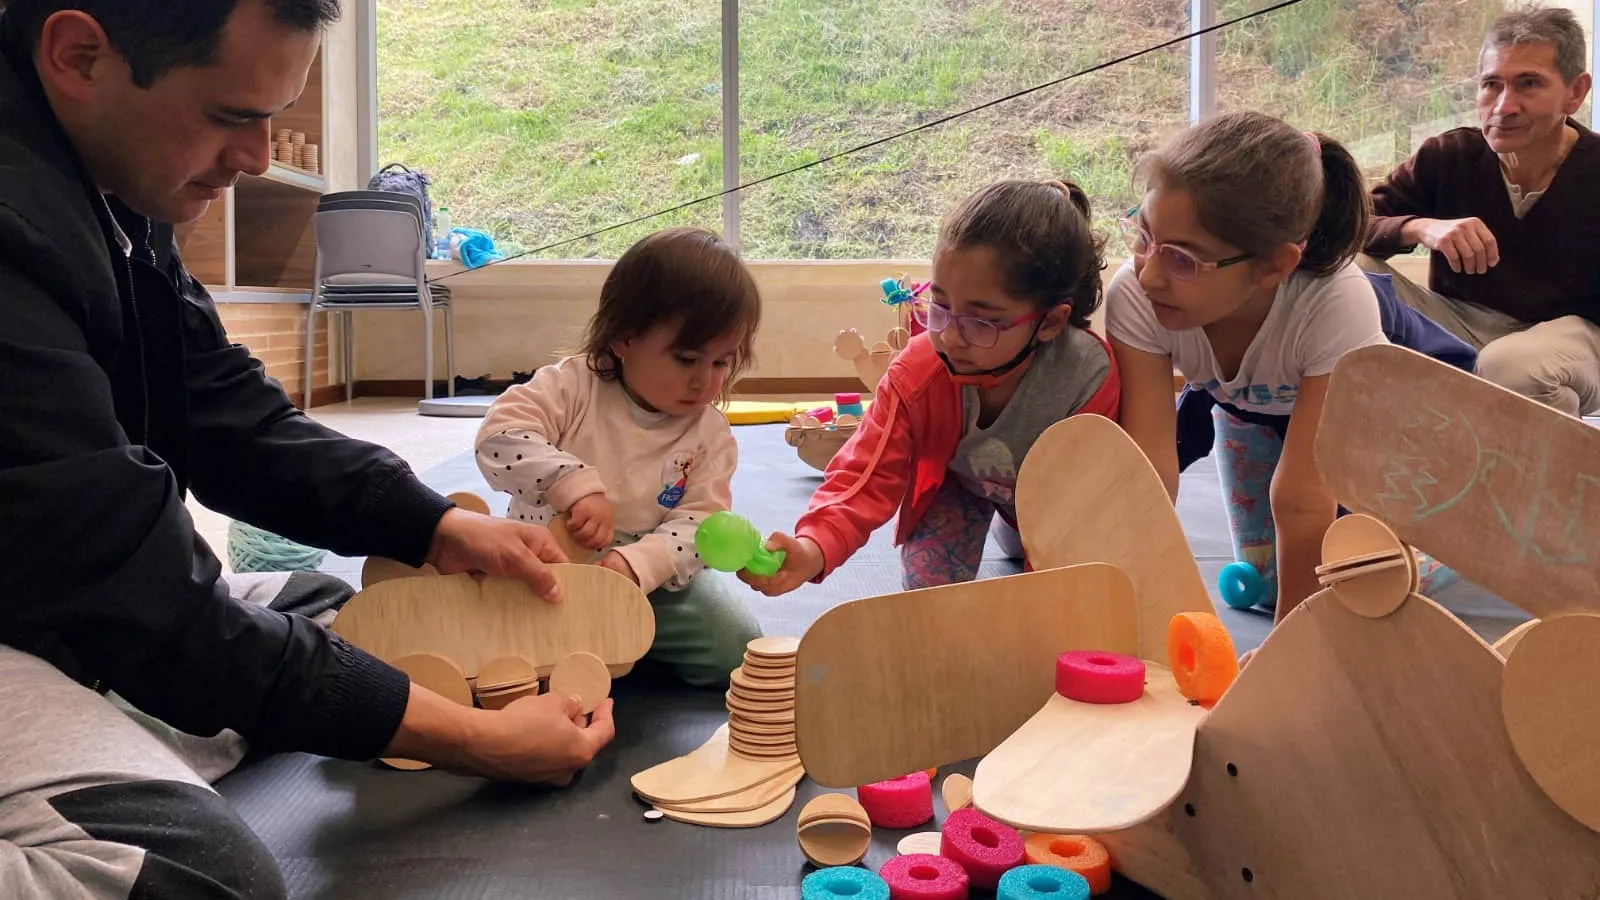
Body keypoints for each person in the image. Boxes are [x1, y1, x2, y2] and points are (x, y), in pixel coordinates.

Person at [0, 2, 613, 898]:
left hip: (55, 595)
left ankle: (114, 715)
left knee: (334, 611)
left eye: (271, 120)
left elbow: (220, 409)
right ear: (80, 55)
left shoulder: (112, 186)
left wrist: (431, 522)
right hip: (35, 620)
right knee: (198, 874)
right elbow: (135, 594)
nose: (256, 159)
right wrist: (478, 743)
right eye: (231, 116)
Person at [1107, 111, 1472, 625]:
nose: (1148, 275)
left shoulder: (1333, 303)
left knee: (1358, 575)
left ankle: (1463, 539)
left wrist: (1289, 651)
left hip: (1405, 409)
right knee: (1272, 581)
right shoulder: (1138, 294)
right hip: (1263, 402)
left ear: (1275, 265)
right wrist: (1134, 615)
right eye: (1143, 236)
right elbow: (1149, 470)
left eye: (1183, 259)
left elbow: (1303, 495)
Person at [740, 179, 1121, 598]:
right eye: (939, 307)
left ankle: (1010, 532)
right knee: (930, 598)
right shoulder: (919, 371)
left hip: (1050, 503)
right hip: (958, 483)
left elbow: (1079, 511)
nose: (949, 337)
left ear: (1049, 323)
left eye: (980, 322)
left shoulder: (1086, 377)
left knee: (1059, 591)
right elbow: (865, 475)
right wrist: (814, 547)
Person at [475, 226, 765, 687]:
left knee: (735, 647)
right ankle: (587, 642)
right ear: (623, 339)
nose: (705, 382)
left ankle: (616, 640)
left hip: (647, 585)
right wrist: (572, 484)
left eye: (721, 362)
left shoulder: (709, 432)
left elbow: (700, 523)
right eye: (687, 359)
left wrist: (638, 564)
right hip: (546, 572)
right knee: (493, 653)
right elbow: (499, 437)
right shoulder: (571, 387)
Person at [1362, 5, 1599, 417]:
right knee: (1344, 269)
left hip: (1575, 339)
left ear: (1575, 93)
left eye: (1529, 84)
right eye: (1492, 84)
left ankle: (1547, 477)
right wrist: (1419, 228)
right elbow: (1347, 223)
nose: (1504, 106)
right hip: (1458, 325)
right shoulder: (1449, 155)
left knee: (1514, 366)